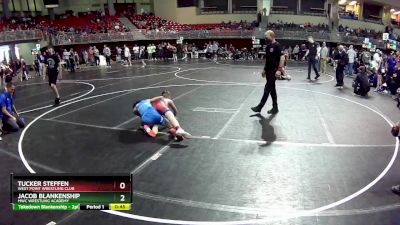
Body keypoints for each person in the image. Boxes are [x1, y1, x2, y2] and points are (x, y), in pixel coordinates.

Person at [251, 30, 281, 114]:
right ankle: (275, 108)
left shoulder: (277, 46)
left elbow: (281, 58)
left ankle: (260, 106)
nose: (265, 38)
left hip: (274, 70)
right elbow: (267, 60)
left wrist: (279, 70)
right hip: (268, 70)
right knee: (272, 89)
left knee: (267, 88)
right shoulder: (268, 46)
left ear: (272, 36)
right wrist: (264, 69)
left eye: (266, 37)